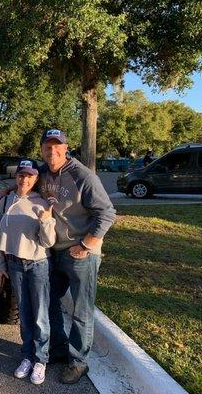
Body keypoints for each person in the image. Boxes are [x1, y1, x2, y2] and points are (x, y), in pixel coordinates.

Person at [38, 129, 116, 384]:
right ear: (41, 149)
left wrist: (87, 244)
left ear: (66, 147)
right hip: (55, 251)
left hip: (81, 253)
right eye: (47, 146)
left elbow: (107, 213)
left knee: (82, 310)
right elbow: (24, 182)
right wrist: (6, 191)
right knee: (48, 300)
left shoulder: (82, 175)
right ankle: (59, 350)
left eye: (57, 146)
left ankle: (78, 363)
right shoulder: (43, 172)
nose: (52, 151)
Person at [0, 159, 56, 385]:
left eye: (30, 176)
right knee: (25, 314)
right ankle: (27, 356)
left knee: (40, 315)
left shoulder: (42, 203)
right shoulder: (6, 200)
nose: (24, 179)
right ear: (16, 176)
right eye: (21, 175)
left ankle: (41, 360)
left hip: (38, 264)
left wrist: (46, 222)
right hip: (14, 264)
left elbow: (48, 242)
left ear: (36, 179)